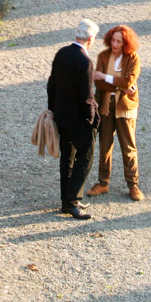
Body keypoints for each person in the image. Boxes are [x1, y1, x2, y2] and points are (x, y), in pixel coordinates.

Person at [47, 19, 101, 219]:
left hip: (62, 116)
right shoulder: (85, 61)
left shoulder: (61, 53)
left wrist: (52, 108)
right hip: (79, 120)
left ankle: (67, 200)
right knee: (84, 159)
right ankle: (72, 201)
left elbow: (51, 83)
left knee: (67, 158)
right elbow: (86, 96)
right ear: (91, 38)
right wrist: (92, 118)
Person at [87, 25, 144, 202]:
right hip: (105, 105)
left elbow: (129, 81)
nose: (115, 44)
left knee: (128, 147)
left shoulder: (133, 58)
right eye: (113, 40)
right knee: (105, 146)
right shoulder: (103, 56)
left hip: (125, 107)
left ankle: (133, 184)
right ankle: (103, 182)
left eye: (119, 41)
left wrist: (105, 77)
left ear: (126, 42)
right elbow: (100, 85)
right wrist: (120, 84)